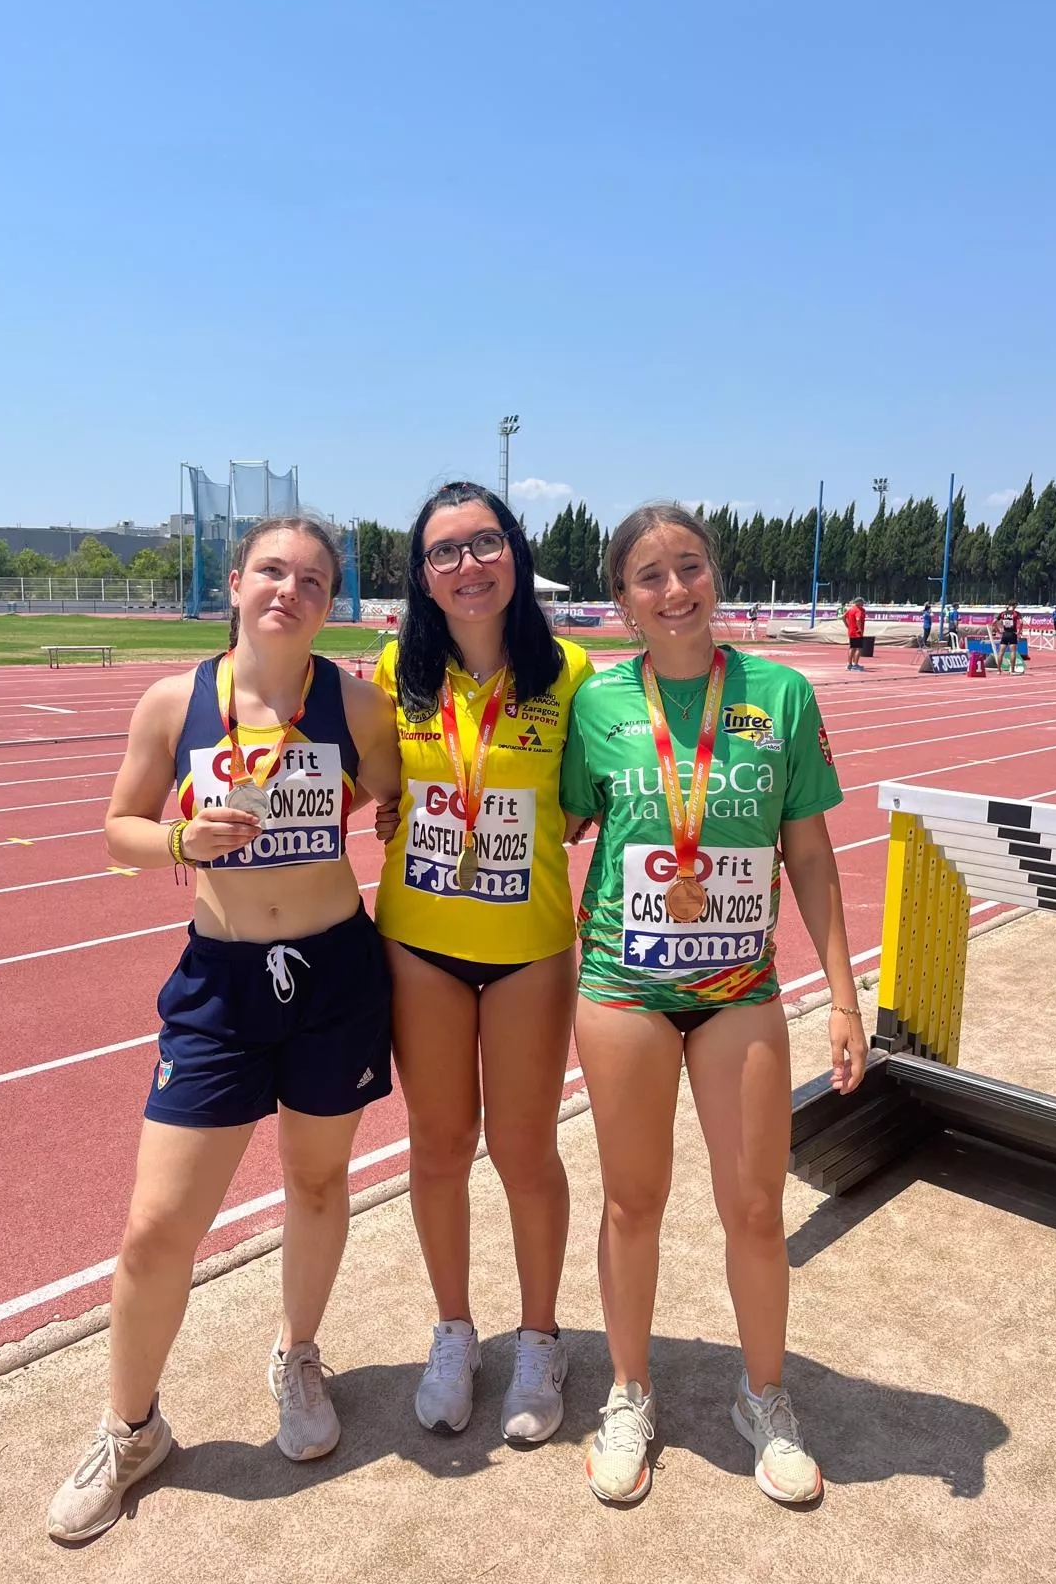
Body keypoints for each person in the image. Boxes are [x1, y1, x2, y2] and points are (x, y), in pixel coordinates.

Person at [47, 516, 402, 1544]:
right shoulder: (176, 702)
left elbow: (397, 791)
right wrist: (174, 837)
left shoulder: (355, 702)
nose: (289, 590)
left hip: (335, 973)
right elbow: (116, 833)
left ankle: (298, 1354)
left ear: (330, 600)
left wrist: (382, 812)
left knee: (320, 1184)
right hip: (220, 988)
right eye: (272, 572)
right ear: (237, 582)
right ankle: (130, 1428)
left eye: (313, 578)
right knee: (158, 1227)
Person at [561, 501, 867, 1507]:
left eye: (689, 566)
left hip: (741, 988)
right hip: (623, 986)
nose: (675, 588)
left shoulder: (777, 695)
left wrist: (843, 998)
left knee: (753, 1205)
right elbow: (553, 814)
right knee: (633, 1200)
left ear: (715, 576)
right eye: (650, 576)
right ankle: (629, 1392)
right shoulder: (600, 706)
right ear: (622, 601)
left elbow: (812, 856)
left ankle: (764, 1396)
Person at [372, 481, 593, 1446]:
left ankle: (540, 1337)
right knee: (438, 1144)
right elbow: (358, 780)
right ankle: (455, 1332)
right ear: (422, 577)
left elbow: (591, 799)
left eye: (484, 544)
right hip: (418, 944)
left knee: (524, 1151)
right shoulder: (390, 674)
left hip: (529, 951)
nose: (468, 566)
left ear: (516, 553)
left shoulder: (574, 672)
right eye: (445, 553)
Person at [993, 600, 1023, 673]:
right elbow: (1021, 622)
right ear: (1014, 605)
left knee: (1001, 652)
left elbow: (993, 622)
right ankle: (1012, 670)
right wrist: (1019, 632)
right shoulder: (1016, 613)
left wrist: (998, 631)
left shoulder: (1003, 613)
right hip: (1012, 634)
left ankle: (999, 670)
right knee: (1013, 652)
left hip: (1005, 634)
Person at [843, 596, 866, 670]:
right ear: (858, 602)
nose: (863, 604)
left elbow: (843, 617)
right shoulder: (858, 610)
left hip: (851, 631)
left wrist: (847, 625)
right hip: (857, 632)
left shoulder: (851, 609)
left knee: (852, 647)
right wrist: (859, 629)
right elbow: (858, 619)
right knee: (858, 648)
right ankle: (855, 664)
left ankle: (849, 664)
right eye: (862, 602)